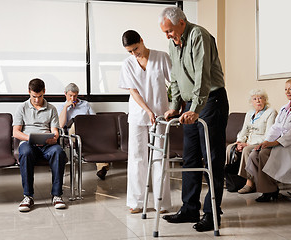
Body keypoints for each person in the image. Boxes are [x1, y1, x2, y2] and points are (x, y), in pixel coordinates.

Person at [159, 7, 229, 232]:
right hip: (190, 106)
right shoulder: (172, 43)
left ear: (182, 22)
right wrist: (174, 106)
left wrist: (197, 107)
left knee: (212, 159)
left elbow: (202, 75)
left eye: (169, 31)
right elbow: (176, 78)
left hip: (211, 102)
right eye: (165, 33)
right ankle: (189, 208)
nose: (168, 36)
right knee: (189, 159)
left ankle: (211, 213)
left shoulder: (199, 35)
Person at [118, 30, 172, 214]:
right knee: (136, 158)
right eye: (130, 51)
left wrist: (174, 107)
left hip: (160, 116)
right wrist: (147, 110)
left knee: (159, 158)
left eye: (136, 48)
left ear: (142, 40)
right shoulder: (127, 64)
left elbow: (175, 83)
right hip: (137, 114)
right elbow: (133, 91)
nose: (134, 54)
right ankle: (137, 202)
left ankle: (161, 202)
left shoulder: (161, 57)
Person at [246, 78, 291, 202]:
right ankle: (267, 187)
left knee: (264, 153)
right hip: (282, 142)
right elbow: (276, 127)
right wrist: (265, 142)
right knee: (254, 153)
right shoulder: (284, 108)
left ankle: (269, 191)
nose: (287, 92)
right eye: (286, 89)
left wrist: (275, 142)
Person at [13, 78, 67, 212]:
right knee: (25, 153)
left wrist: (54, 138)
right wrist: (30, 138)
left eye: (40, 96)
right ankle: (28, 196)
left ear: (44, 92)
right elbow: (16, 132)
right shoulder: (22, 108)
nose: (37, 100)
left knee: (59, 152)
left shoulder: (51, 109)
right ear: (29, 92)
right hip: (28, 143)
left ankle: (57, 195)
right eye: (34, 96)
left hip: (47, 144)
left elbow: (55, 130)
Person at [226, 89, 277, 194]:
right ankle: (229, 179)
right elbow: (244, 130)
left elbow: (269, 135)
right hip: (247, 141)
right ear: (251, 101)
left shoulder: (271, 112)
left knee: (247, 150)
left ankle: (250, 182)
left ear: (265, 100)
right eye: (255, 99)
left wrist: (248, 144)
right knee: (230, 148)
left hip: (261, 142)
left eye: (260, 98)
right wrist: (239, 142)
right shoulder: (249, 113)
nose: (258, 101)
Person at [57, 83, 107, 180]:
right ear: (65, 94)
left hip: (88, 131)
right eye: (70, 95)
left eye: (75, 96)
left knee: (100, 138)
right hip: (72, 133)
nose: (73, 98)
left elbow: (94, 120)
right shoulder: (61, 107)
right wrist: (65, 108)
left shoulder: (85, 104)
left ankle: (102, 167)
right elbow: (61, 125)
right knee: (77, 122)